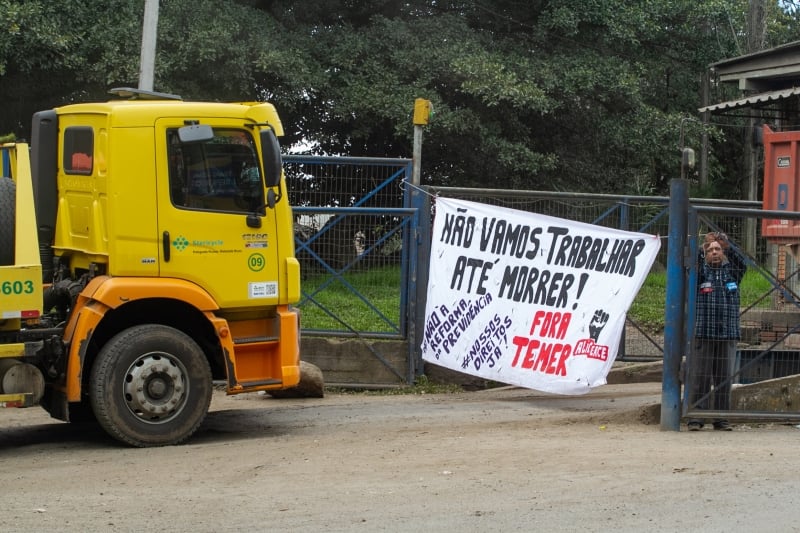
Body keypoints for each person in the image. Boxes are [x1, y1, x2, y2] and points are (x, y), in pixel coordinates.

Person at [687, 231, 747, 431]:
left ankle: (721, 418)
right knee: (700, 378)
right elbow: (692, 263)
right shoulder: (700, 273)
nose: (714, 252)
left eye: (718, 249)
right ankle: (696, 417)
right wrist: (700, 246)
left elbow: (743, 262)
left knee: (724, 379)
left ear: (723, 253)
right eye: (710, 250)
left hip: (727, 334)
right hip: (704, 332)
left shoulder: (733, 273)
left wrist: (727, 244)